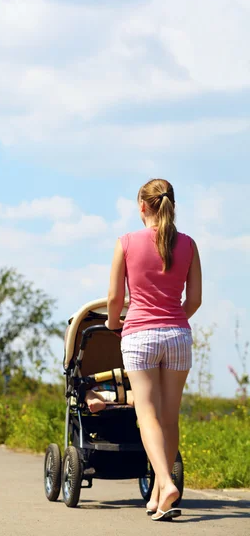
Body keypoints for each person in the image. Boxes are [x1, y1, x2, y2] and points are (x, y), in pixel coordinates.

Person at [106, 179, 202, 522]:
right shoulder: (189, 244)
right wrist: (172, 321)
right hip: (178, 335)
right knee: (170, 417)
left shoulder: (126, 242)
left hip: (139, 336)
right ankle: (161, 496)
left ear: (142, 206)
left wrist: (113, 324)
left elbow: (115, 299)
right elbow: (194, 301)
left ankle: (164, 481)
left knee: (146, 414)